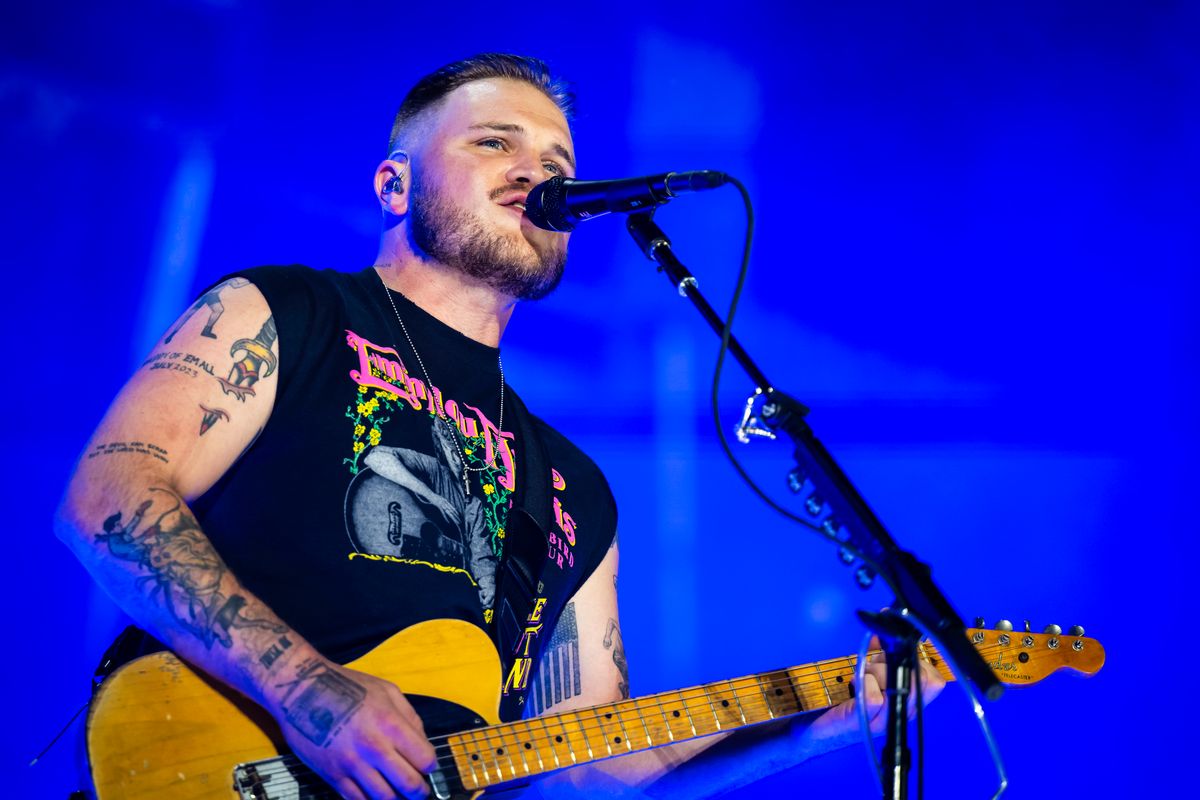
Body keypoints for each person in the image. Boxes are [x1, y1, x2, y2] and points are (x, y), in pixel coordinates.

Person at [56, 53, 943, 799]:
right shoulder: (288, 311)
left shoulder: (573, 489)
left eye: (558, 161)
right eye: (494, 142)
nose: (540, 172)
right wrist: (310, 693)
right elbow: (108, 500)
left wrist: (812, 731)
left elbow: (592, 759)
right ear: (394, 183)